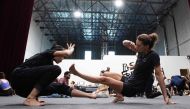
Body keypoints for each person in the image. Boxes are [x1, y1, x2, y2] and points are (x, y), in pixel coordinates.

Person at [69, 33, 174, 104]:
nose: (136, 47)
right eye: (136, 44)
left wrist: (165, 97)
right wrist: (127, 43)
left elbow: (159, 75)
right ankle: (119, 96)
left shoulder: (153, 56)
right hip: (130, 80)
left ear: (146, 46)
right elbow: (124, 43)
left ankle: (77, 73)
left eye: (139, 45)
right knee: (105, 74)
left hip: (133, 88)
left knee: (103, 80)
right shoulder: (141, 51)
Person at [10, 43, 96, 106]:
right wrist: (70, 50)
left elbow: (39, 79)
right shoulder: (47, 53)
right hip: (18, 76)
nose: (63, 58)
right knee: (56, 69)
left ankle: (89, 95)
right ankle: (30, 98)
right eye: (62, 56)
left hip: (22, 90)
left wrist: (89, 94)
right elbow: (67, 53)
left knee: (58, 86)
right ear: (57, 52)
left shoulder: (49, 65)